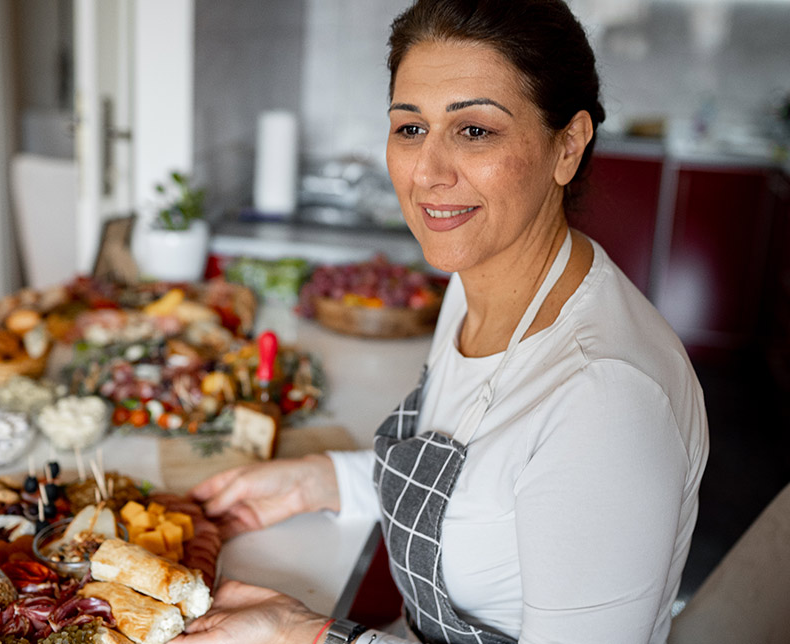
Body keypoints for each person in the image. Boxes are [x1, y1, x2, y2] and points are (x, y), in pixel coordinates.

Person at [175, 1, 709, 642]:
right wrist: (328, 481)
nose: (428, 173)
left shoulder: (607, 397)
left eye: (475, 130)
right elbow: (485, 489)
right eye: (410, 129)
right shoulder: (480, 277)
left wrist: (304, 635)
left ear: (567, 146)